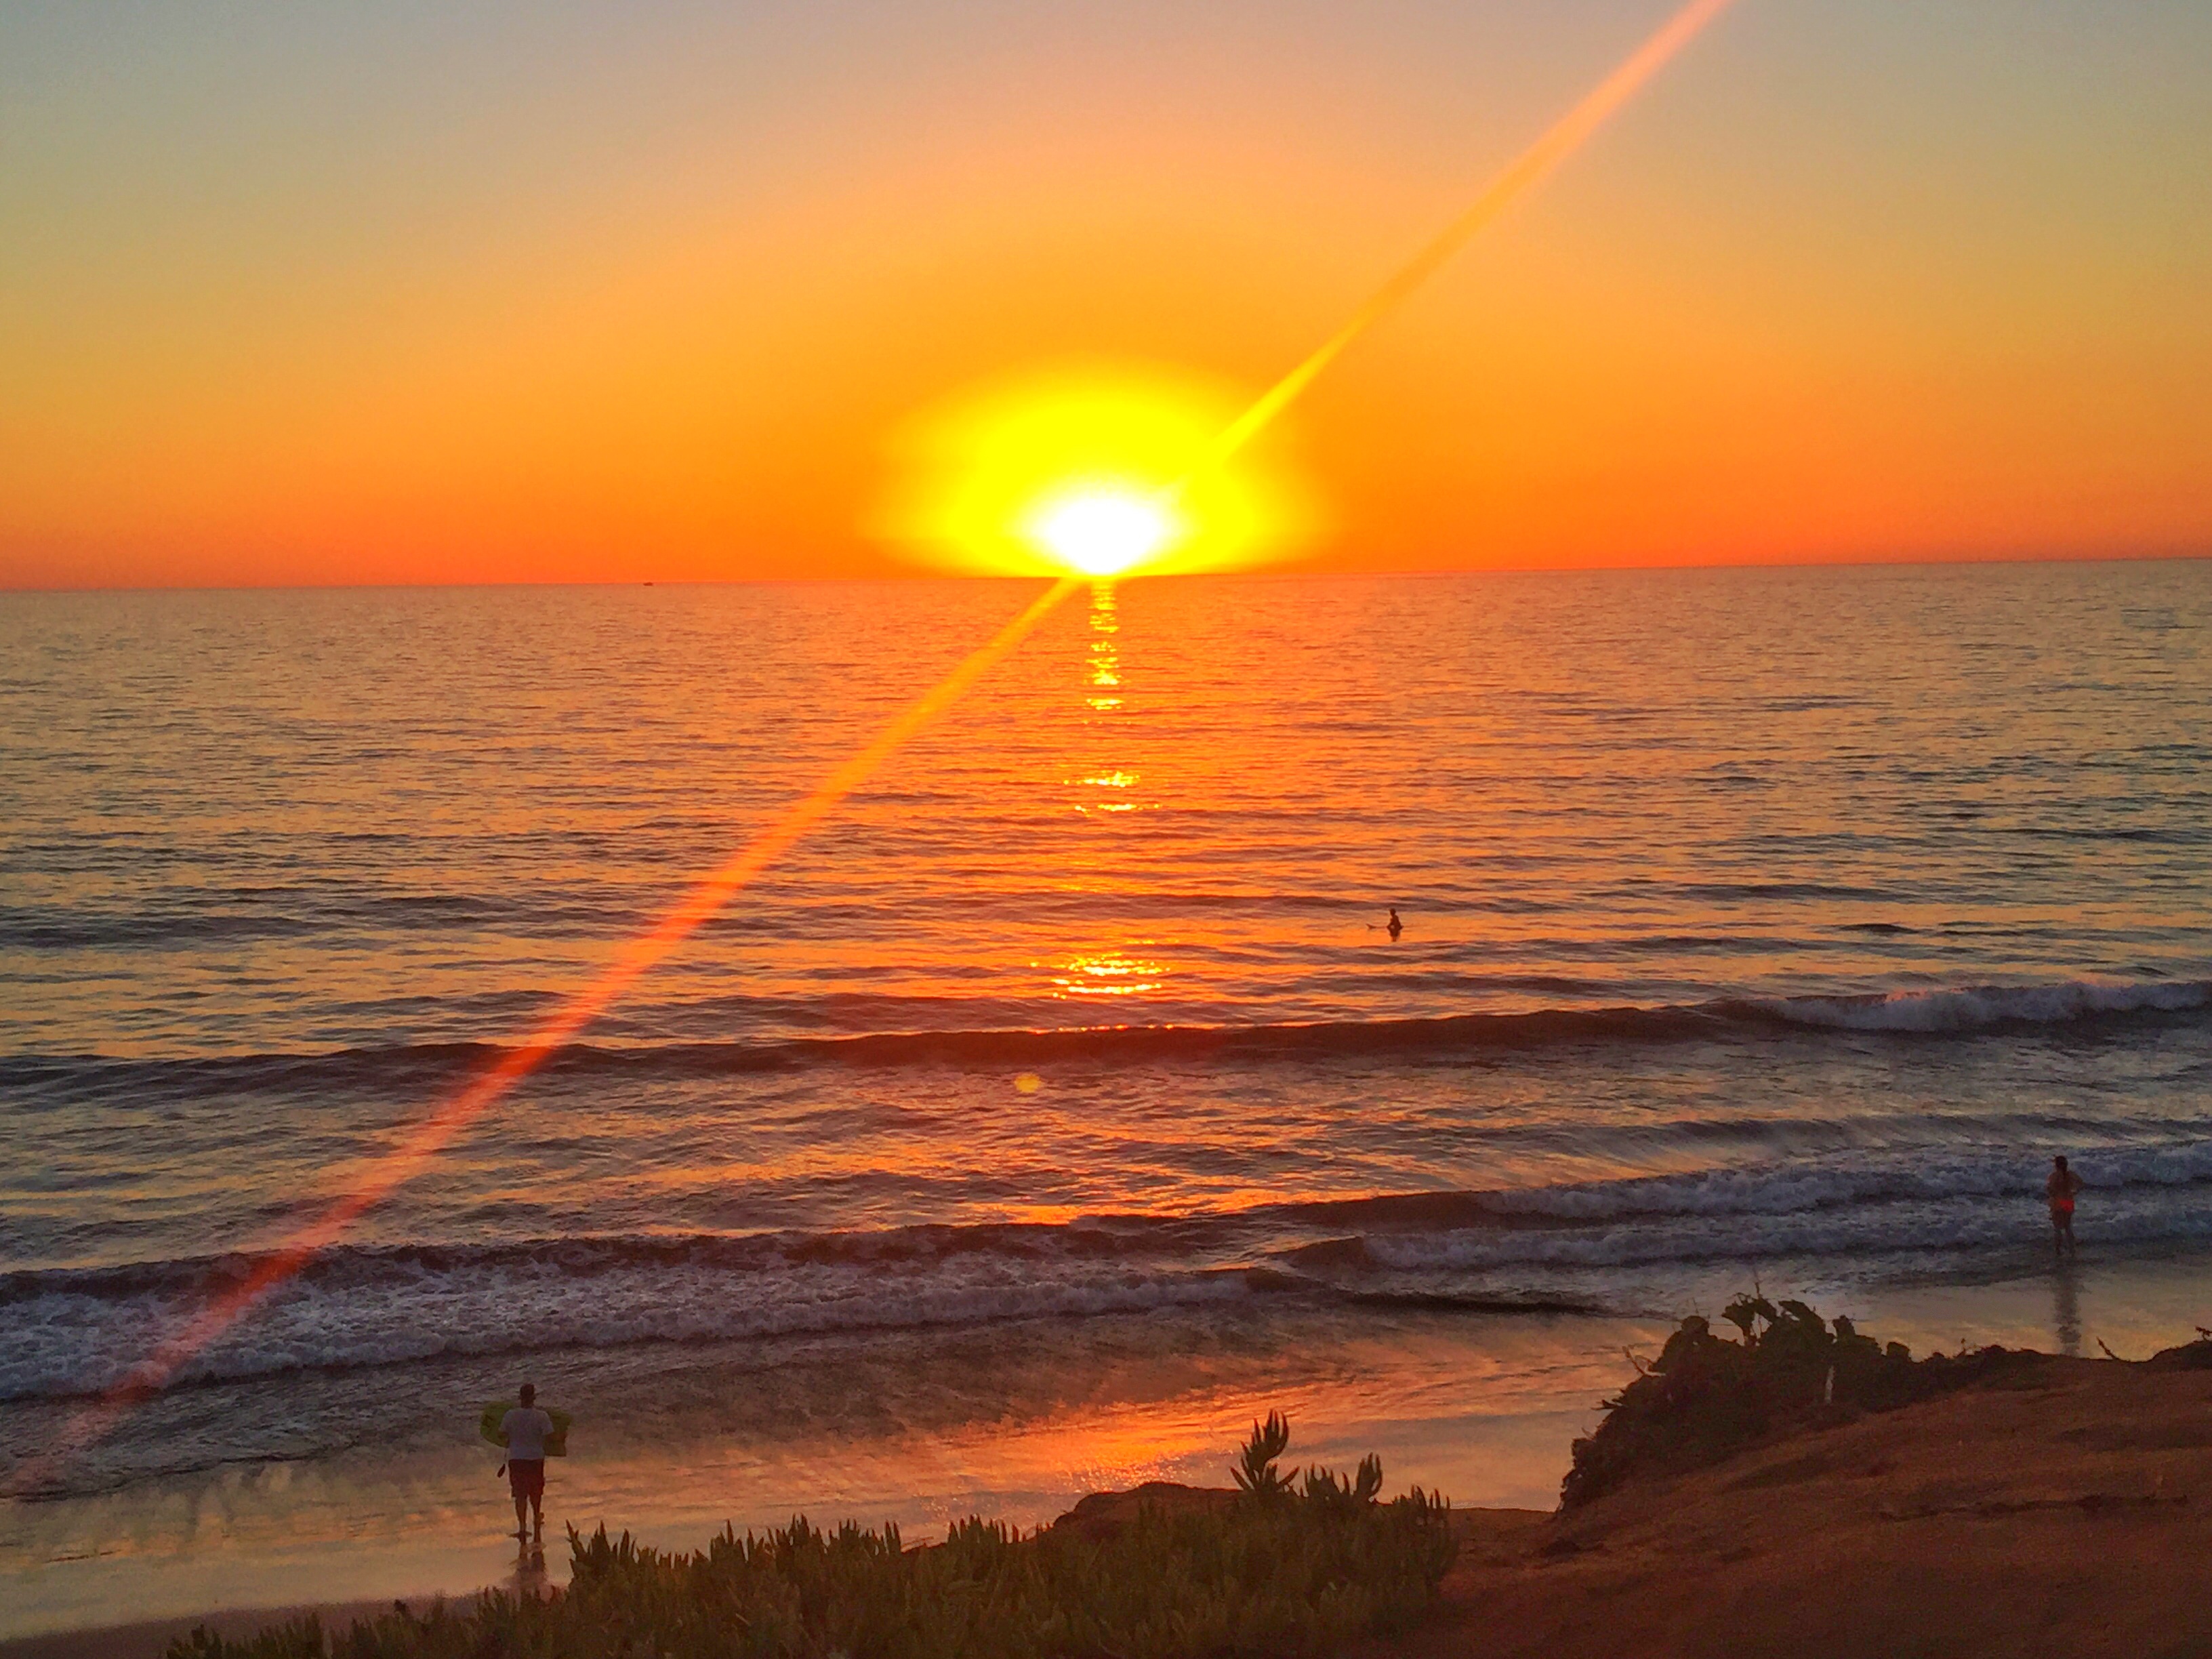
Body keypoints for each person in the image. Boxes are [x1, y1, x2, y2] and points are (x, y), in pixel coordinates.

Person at [499, 1382, 554, 1545]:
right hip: (536, 1458)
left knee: (520, 1494)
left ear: (520, 1398)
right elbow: (550, 1436)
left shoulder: (510, 1415)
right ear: (534, 1398)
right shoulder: (542, 1416)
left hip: (516, 1458)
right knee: (536, 1491)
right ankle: (537, 1517)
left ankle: (523, 1528)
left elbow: (501, 1434)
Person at [2046, 1155, 2083, 1258]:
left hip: (2057, 1202)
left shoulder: (2054, 1176)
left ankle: (2058, 1251)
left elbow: (2049, 1189)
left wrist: (2052, 1197)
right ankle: (2072, 1250)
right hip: (2068, 1201)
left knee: (2057, 1228)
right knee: (2068, 1227)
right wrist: (2074, 1192)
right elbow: (2081, 1183)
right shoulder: (2070, 1175)